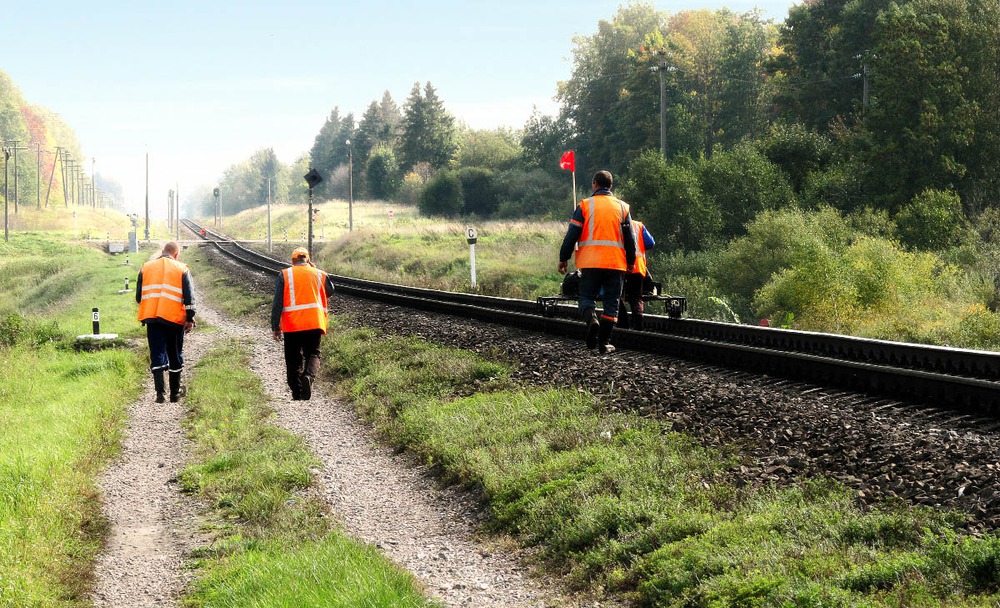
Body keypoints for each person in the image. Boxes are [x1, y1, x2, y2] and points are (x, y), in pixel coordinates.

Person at [557, 170, 636, 354]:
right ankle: (604, 343)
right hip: (615, 264)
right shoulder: (623, 208)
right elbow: (630, 238)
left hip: (590, 262)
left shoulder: (584, 206)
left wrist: (563, 258)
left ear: (594, 184)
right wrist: (631, 261)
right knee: (611, 303)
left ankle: (592, 319)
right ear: (611, 186)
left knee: (586, 298)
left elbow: (571, 235)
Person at [271, 247, 335, 400]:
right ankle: (308, 377)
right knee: (313, 353)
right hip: (314, 322)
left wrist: (275, 326)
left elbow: (277, 303)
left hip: (292, 324)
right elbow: (331, 291)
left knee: (292, 358)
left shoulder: (285, 274)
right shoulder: (320, 274)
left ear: (293, 261)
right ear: (308, 259)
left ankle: (297, 393)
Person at [136, 241, 196, 403]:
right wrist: (190, 318)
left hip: (152, 319)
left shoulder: (146, 268)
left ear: (162, 252)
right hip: (173, 320)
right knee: (174, 354)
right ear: (176, 254)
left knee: (156, 353)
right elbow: (190, 298)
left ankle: (159, 394)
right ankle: (175, 394)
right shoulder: (182, 268)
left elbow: (138, 297)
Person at [618, 219, 655, 330]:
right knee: (636, 298)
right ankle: (638, 327)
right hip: (637, 267)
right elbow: (650, 243)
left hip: (620, 267)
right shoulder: (639, 225)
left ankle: (623, 325)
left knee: (618, 297)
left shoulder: (614, 226)